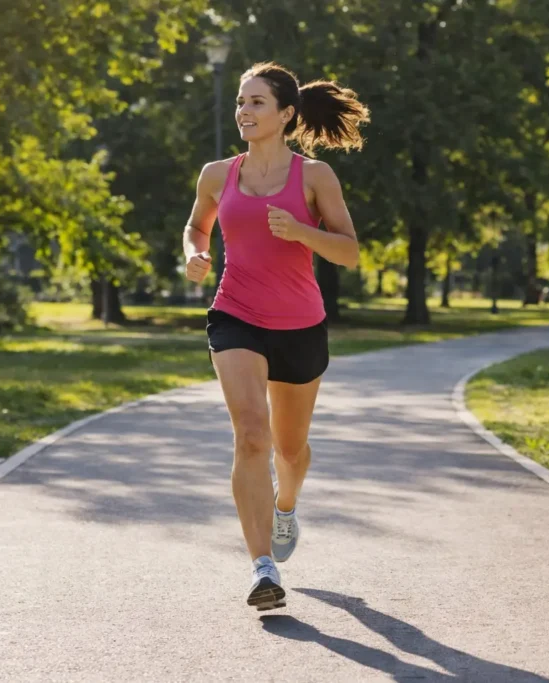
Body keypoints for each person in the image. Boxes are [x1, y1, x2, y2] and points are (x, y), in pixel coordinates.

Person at [182, 61, 368, 609]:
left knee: (289, 449)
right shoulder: (218, 174)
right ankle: (262, 568)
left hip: (299, 324)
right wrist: (195, 252)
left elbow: (350, 252)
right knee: (251, 436)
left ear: (287, 114)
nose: (245, 110)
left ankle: (286, 504)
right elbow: (197, 225)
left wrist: (302, 232)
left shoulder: (314, 177)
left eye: (258, 102)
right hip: (235, 314)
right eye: (241, 101)